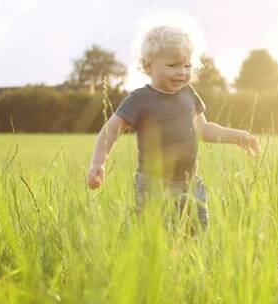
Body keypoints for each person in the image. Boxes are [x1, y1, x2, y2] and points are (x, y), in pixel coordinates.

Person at [87, 21, 260, 230]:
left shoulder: (189, 94)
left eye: (187, 66)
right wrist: (98, 163)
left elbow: (203, 129)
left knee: (196, 232)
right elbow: (111, 130)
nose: (182, 72)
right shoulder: (141, 99)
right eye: (173, 65)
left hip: (190, 183)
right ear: (148, 65)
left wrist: (236, 135)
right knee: (159, 237)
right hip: (154, 185)